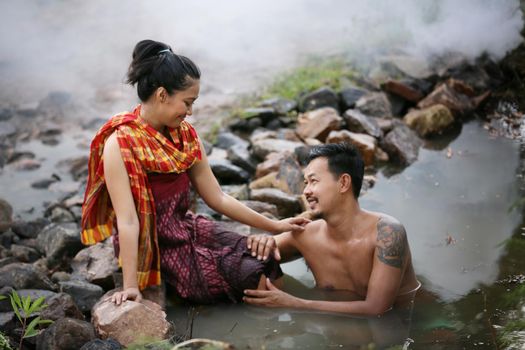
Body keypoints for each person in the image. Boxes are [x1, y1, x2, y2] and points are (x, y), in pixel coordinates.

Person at [80, 39, 309, 306]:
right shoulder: (120, 144)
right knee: (255, 277)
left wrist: (275, 226)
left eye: (194, 103)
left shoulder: (186, 136)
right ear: (162, 94)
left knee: (265, 257)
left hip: (187, 228)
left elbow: (218, 198)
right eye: (187, 102)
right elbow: (128, 221)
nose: (190, 112)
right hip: (156, 245)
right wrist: (131, 285)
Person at [243, 143, 420, 316]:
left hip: (406, 324)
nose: (306, 191)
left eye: (313, 181)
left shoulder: (387, 233)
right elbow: (250, 253)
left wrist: (296, 304)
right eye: (305, 183)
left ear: (343, 183)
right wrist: (264, 240)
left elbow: (377, 309)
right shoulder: (304, 235)